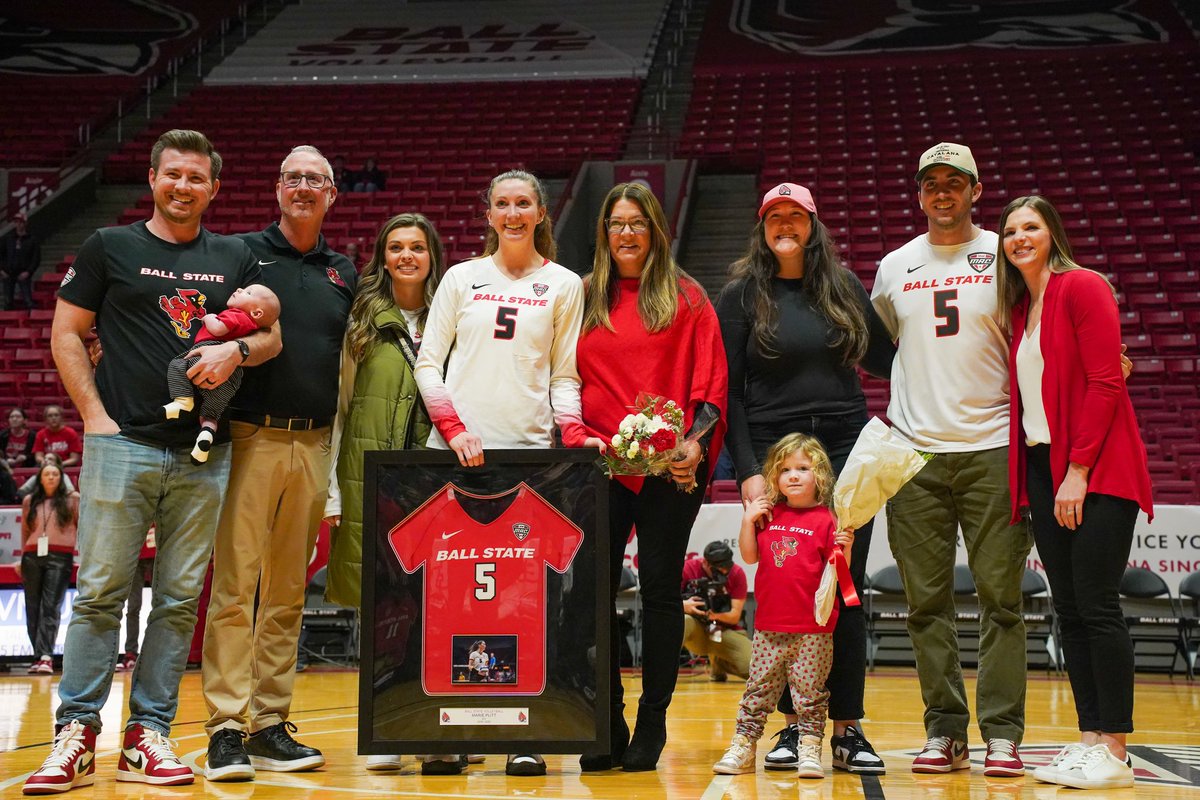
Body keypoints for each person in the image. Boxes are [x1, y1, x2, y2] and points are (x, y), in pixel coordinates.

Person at [24, 128, 278, 795]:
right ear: (153, 177)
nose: (184, 186)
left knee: (176, 601)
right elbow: (65, 332)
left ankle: (148, 736)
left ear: (214, 188)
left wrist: (238, 353)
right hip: (122, 445)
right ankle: (76, 734)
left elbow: (271, 332)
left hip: (203, 454)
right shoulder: (112, 246)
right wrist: (93, 418)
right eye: (174, 174)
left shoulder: (235, 255)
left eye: (197, 177)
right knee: (102, 594)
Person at [413, 169, 591, 777]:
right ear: (488, 214)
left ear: (541, 212)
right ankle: (452, 734)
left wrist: (568, 435)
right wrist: (454, 427)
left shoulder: (565, 284)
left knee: (522, 604)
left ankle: (523, 728)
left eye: (523, 204)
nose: (512, 214)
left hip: (528, 458)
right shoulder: (461, 278)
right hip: (456, 453)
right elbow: (429, 364)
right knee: (452, 599)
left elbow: (565, 375)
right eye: (502, 204)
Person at [715, 181, 892, 774]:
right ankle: (794, 729)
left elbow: (888, 359)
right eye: (775, 216)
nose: (785, 224)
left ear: (813, 225)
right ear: (763, 227)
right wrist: (747, 472)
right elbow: (730, 394)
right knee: (790, 589)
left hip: (843, 449)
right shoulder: (742, 294)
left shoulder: (841, 287)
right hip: (777, 451)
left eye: (797, 215)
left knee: (843, 584)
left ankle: (846, 729)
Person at [870, 142, 1031, 777]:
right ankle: (944, 731)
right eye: (931, 183)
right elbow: (888, 342)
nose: (943, 193)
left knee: (1001, 599)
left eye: (954, 183)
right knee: (925, 604)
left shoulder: (1004, 254)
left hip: (992, 449)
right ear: (919, 193)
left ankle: (1002, 734)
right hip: (916, 456)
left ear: (976, 190)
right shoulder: (894, 267)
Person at [202, 145, 356, 783]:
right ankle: (225, 729)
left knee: (289, 592)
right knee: (236, 589)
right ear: (276, 187)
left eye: (315, 180)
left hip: (315, 444)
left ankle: (269, 723)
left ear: (331, 195)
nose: (302, 188)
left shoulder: (342, 270)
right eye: (292, 177)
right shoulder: (242, 253)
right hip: (250, 440)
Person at [997, 195, 1153, 790]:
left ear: (1052, 232)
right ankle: (1090, 737)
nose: (1019, 237)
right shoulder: (1022, 308)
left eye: (1030, 226)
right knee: (1068, 609)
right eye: (1010, 231)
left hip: (1096, 467)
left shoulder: (1082, 285)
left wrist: (1079, 470)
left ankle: (1114, 744)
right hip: (1044, 467)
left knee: (1097, 604)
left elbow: (1106, 382)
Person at [576, 182, 727, 772]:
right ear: (604, 233)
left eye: (638, 223)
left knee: (662, 590)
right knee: (595, 596)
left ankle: (653, 720)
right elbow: (562, 380)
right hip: (600, 467)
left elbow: (711, 386)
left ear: (657, 230)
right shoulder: (584, 296)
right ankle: (606, 720)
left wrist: (692, 444)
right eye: (616, 223)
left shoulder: (687, 297)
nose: (627, 234)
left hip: (669, 471)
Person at [321, 212, 442, 773]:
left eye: (417, 246)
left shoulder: (452, 314)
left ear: (432, 253)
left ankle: (431, 722)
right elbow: (340, 410)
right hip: (367, 479)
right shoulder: (362, 321)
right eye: (396, 247)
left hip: (433, 481)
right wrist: (333, 494)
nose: (406, 256)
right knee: (382, 606)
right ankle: (386, 726)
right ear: (382, 256)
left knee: (435, 607)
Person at [713, 433, 853, 777]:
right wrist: (747, 520)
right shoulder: (769, 514)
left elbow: (840, 572)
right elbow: (749, 555)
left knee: (809, 694)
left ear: (818, 474)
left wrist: (845, 545)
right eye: (785, 468)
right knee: (757, 691)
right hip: (769, 627)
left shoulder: (827, 519)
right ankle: (744, 747)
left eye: (802, 468)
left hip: (813, 630)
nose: (793, 475)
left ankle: (808, 748)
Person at [162, 283, 281, 464]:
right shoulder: (251, 326)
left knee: (178, 365)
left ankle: (182, 400)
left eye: (247, 292)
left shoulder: (237, 315)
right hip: (231, 374)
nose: (240, 290)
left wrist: (208, 317)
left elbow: (218, 329)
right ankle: (207, 434)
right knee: (211, 413)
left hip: (208, 354)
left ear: (257, 313)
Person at [17, 462, 79, 674]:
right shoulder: (29, 501)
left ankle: (46, 656)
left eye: (55, 474)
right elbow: (25, 531)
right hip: (32, 556)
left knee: (51, 606)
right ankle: (38, 655)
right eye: (47, 474)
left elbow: (81, 528)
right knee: (32, 607)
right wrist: (22, 555)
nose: (51, 477)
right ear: (40, 478)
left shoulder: (72, 501)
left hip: (60, 556)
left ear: (61, 478)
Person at [681, 540, 749, 681]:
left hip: (719, 629)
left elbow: (734, 616)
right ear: (705, 563)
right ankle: (662, 671)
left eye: (726, 568)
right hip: (696, 628)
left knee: (753, 668)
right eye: (718, 569)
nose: (723, 572)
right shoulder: (688, 568)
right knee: (683, 620)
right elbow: (665, 601)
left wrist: (711, 614)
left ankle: (719, 662)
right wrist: (683, 605)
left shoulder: (736, 573)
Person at [3, 211, 39, 310]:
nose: (18, 224)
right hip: (8, 272)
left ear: (25, 223)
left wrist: (28, 272)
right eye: (16, 222)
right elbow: (1, 255)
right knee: (8, 301)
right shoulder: (8, 238)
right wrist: (2, 270)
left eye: (20, 222)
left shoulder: (32, 240)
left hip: (23, 272)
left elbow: (35, 258)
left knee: (28, 300)